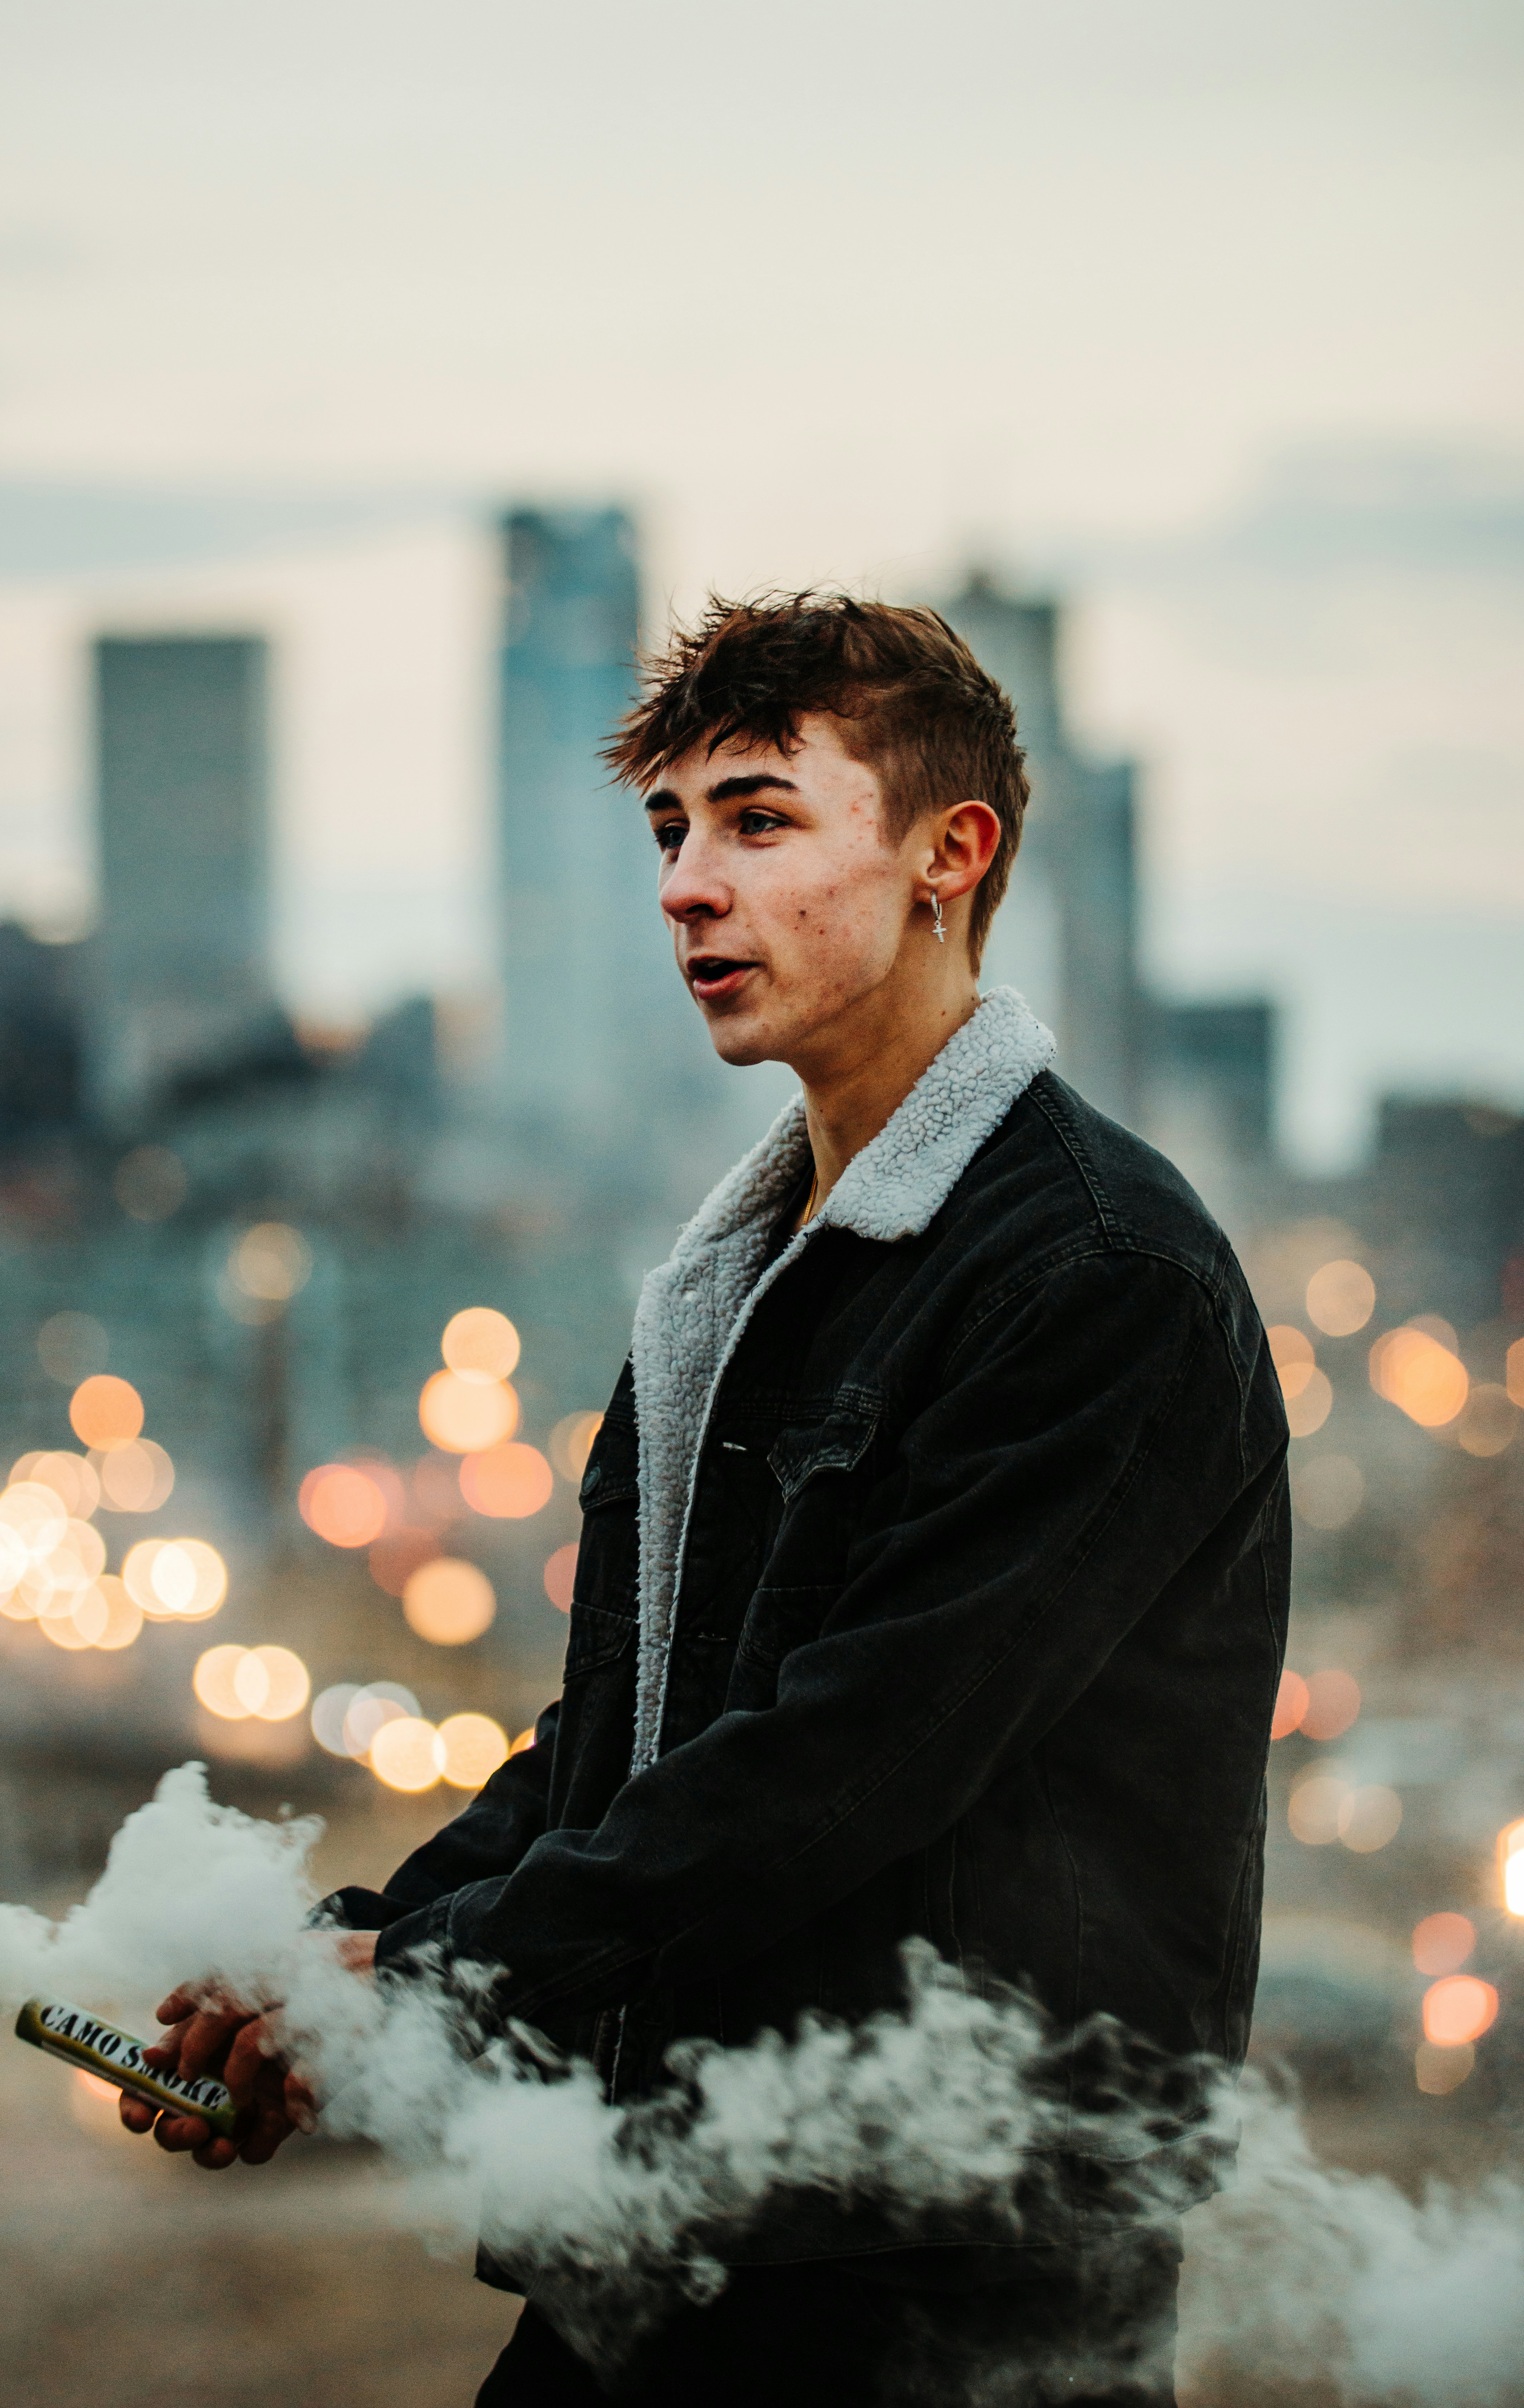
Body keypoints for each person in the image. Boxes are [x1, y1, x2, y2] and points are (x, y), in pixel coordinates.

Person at [121, 595, 1290, 2404]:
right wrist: (333, 1959)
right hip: (686, 2221)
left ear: (946, 856)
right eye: (670, 831)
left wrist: (413, 1978)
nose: (684, 884)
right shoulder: (746, 1276)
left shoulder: (1095, 1275)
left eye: (756, 820)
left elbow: (842, 1763)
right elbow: (638, 1736)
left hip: (939, 2274)